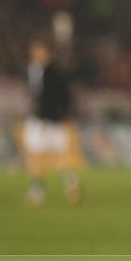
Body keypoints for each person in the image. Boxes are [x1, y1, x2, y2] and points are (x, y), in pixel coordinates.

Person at [19, 37, 84, 205]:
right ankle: (40, 192)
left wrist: (47, 119)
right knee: (37, 157)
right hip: (41, 119)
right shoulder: (34, 70)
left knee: (53, 157)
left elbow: (57, 97)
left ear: (47, 53)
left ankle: (69, 184)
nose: (36, 54)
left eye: (39, 51)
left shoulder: (53, 72)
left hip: (48, 121)